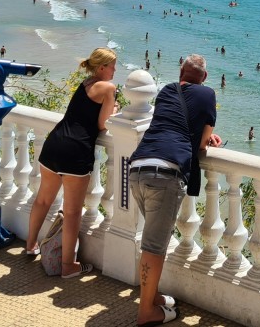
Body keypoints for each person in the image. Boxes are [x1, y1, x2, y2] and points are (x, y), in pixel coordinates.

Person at [128, 54, 220, 326]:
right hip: (165, 173)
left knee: (153, 240)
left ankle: (152, 296)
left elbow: (171, 123)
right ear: (204, 77)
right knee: (154, 246)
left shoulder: (167, 90)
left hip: (138, 167)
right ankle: (146, 312)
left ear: (181, 71)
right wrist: (209, 138)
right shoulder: (207, 94)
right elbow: (201, 143)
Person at [24, 48, 117, 279]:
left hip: (55, 143)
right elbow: (102, 124)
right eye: (113, 66)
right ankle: (68, 265)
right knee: (73, 211)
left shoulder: (86, 82)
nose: (115, 70)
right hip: (76, 150)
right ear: (102, 67)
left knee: (43, 199)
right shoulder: (108, 88)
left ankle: (30, 245)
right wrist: (114, 110)